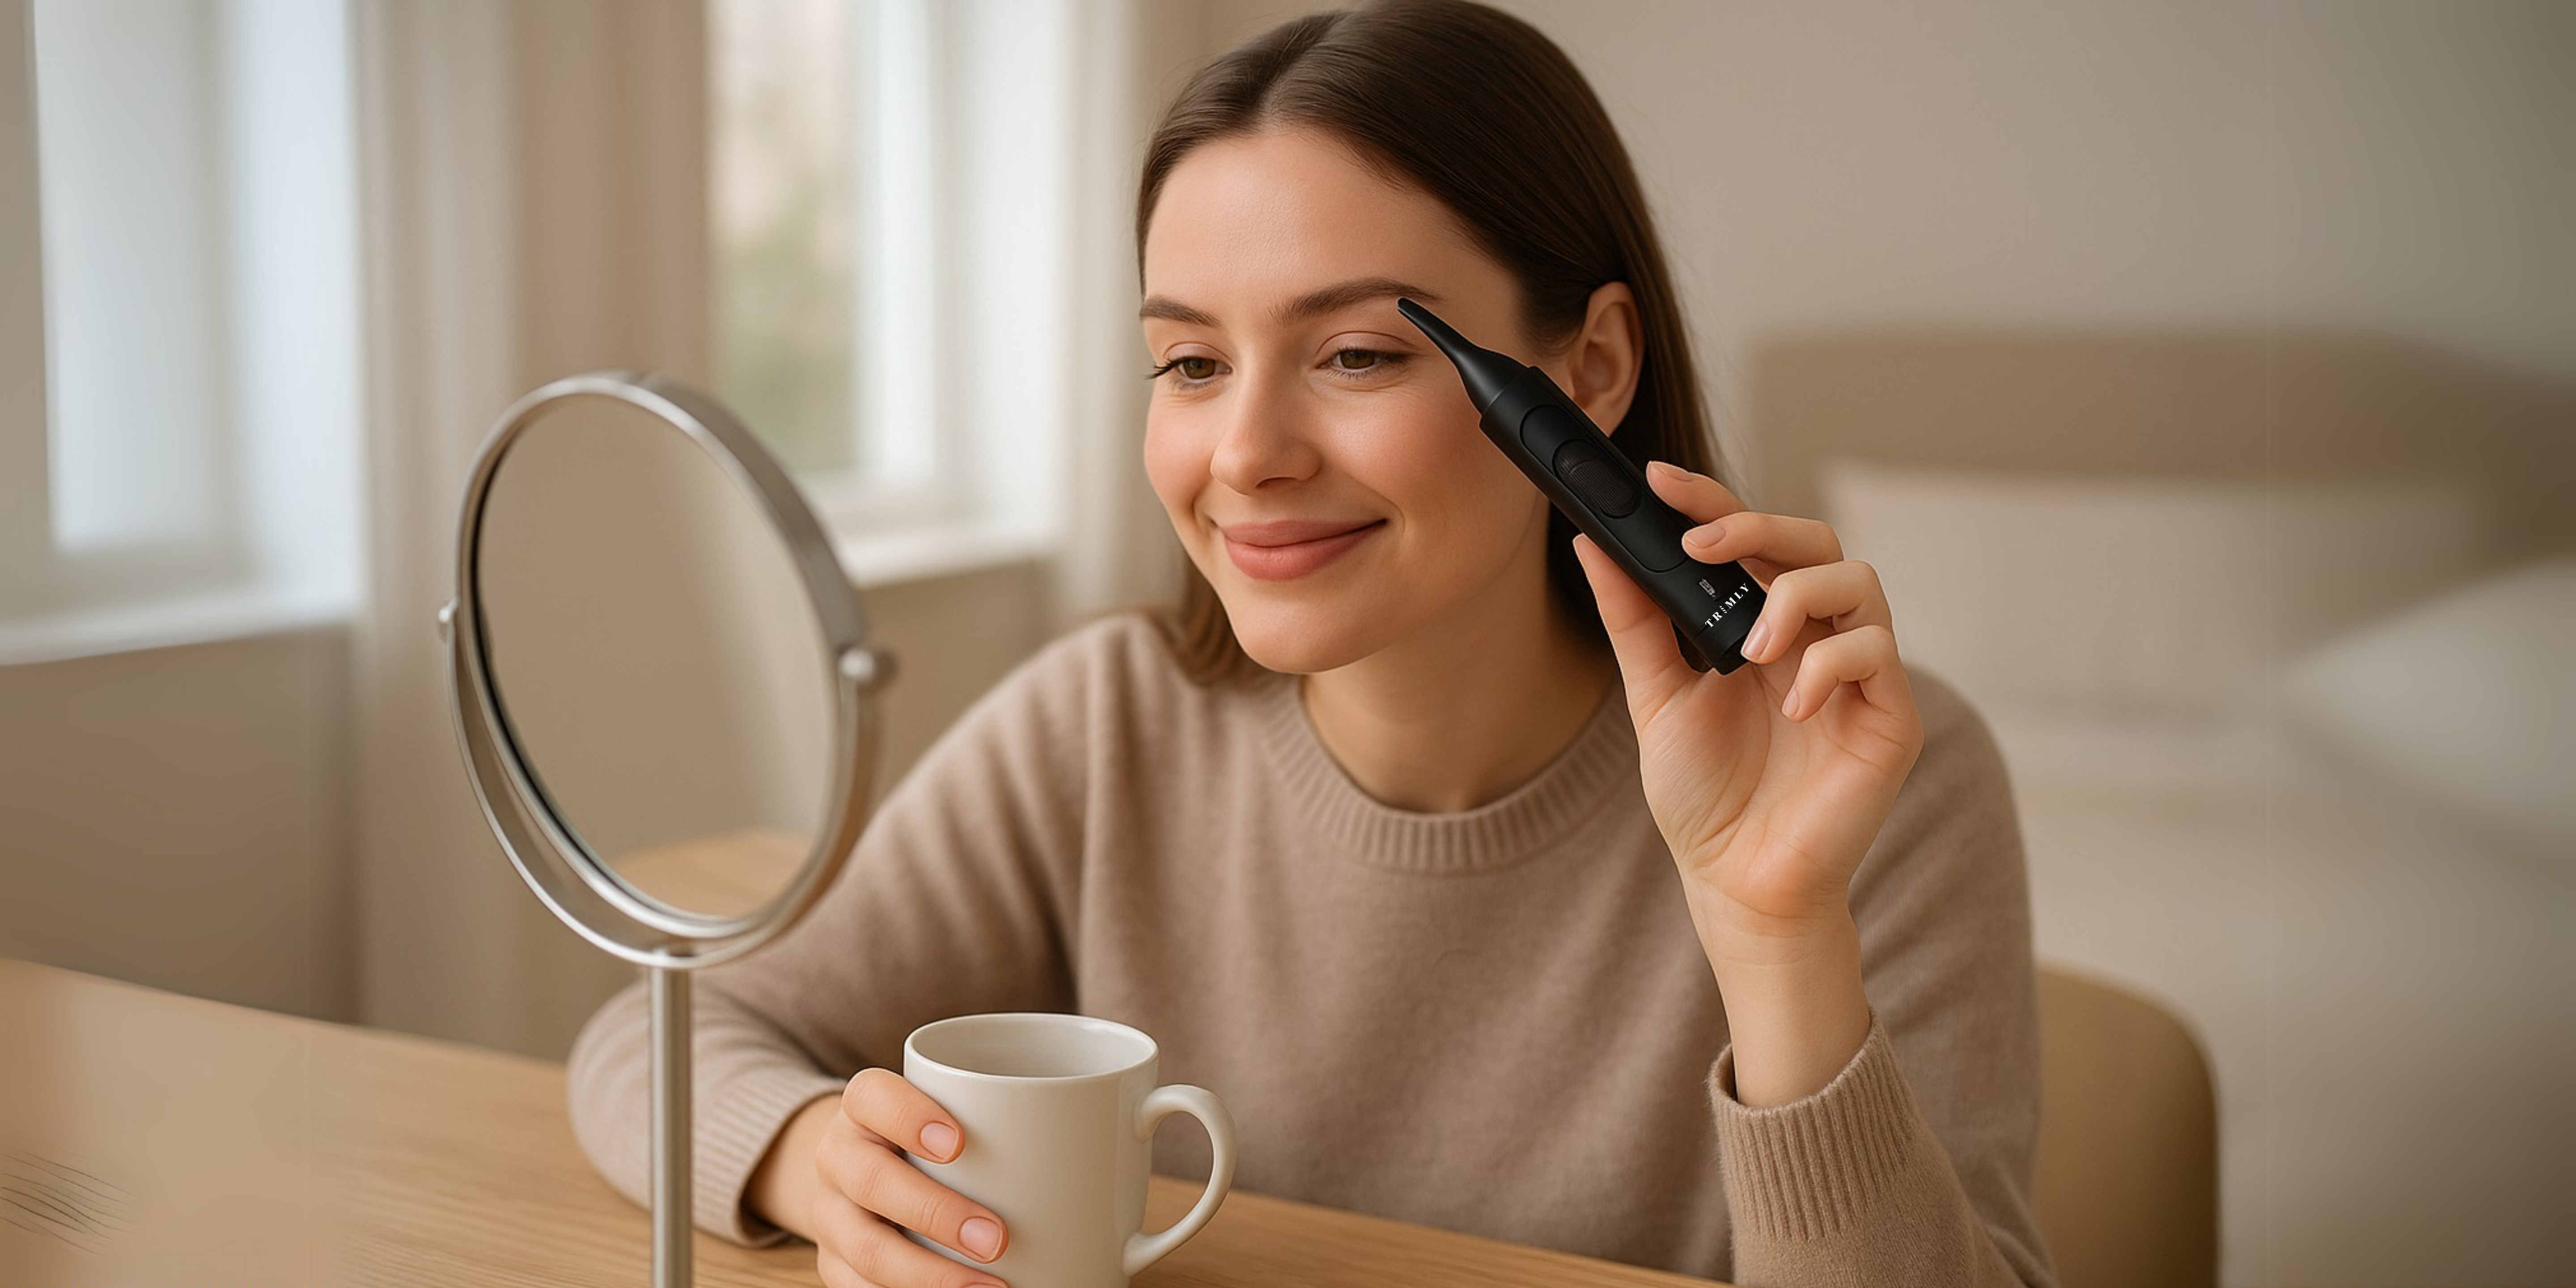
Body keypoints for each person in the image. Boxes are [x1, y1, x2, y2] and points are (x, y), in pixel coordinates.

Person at [568, 3, 2055, 1285]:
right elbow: (666, 1040)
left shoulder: (1872, 786)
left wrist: (1777, 931)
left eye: (1357, 354)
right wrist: (810, 1154)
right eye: (1192, 363)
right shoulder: (1107, 725)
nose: (1250, 452)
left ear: (1589, 368)